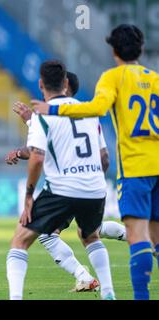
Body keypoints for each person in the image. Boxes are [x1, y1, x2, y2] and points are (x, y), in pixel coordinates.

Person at [32, 24, 158, 300]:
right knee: (156, 240)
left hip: (136, 168)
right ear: (141, 48)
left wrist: (53, 108)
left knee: (137, 237)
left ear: (113, 50)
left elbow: (97, 108)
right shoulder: (156, 79)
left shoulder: (113, 77)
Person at [6, 72, 125, 293]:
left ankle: (83, 276)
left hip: (64, 187)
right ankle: (129, 245)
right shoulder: (89, 112)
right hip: (92, 185)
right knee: (91, 233)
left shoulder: (50, 114)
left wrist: (31, 121)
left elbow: (37, 152)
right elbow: (104, 158)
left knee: (36, 237)